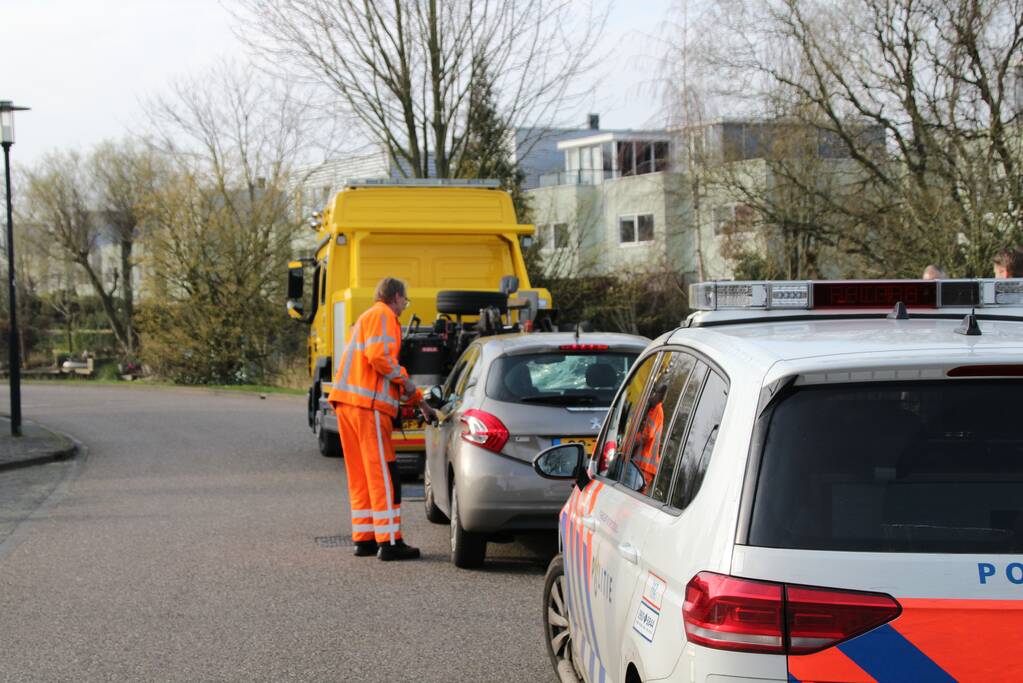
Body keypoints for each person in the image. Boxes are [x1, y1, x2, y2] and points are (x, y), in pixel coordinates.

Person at [327, 277, 435, 561]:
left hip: (347, 403)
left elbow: (373, 362)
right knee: (383, 473)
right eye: (405, 301)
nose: (404, 307)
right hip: (368, 407)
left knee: (361, 474)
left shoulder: (365, 318)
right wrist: (408, 383)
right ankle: (389, 541)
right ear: (396, 297)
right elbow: (380, 358)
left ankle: (365, 538)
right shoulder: (384, 316)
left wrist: (419, 402)